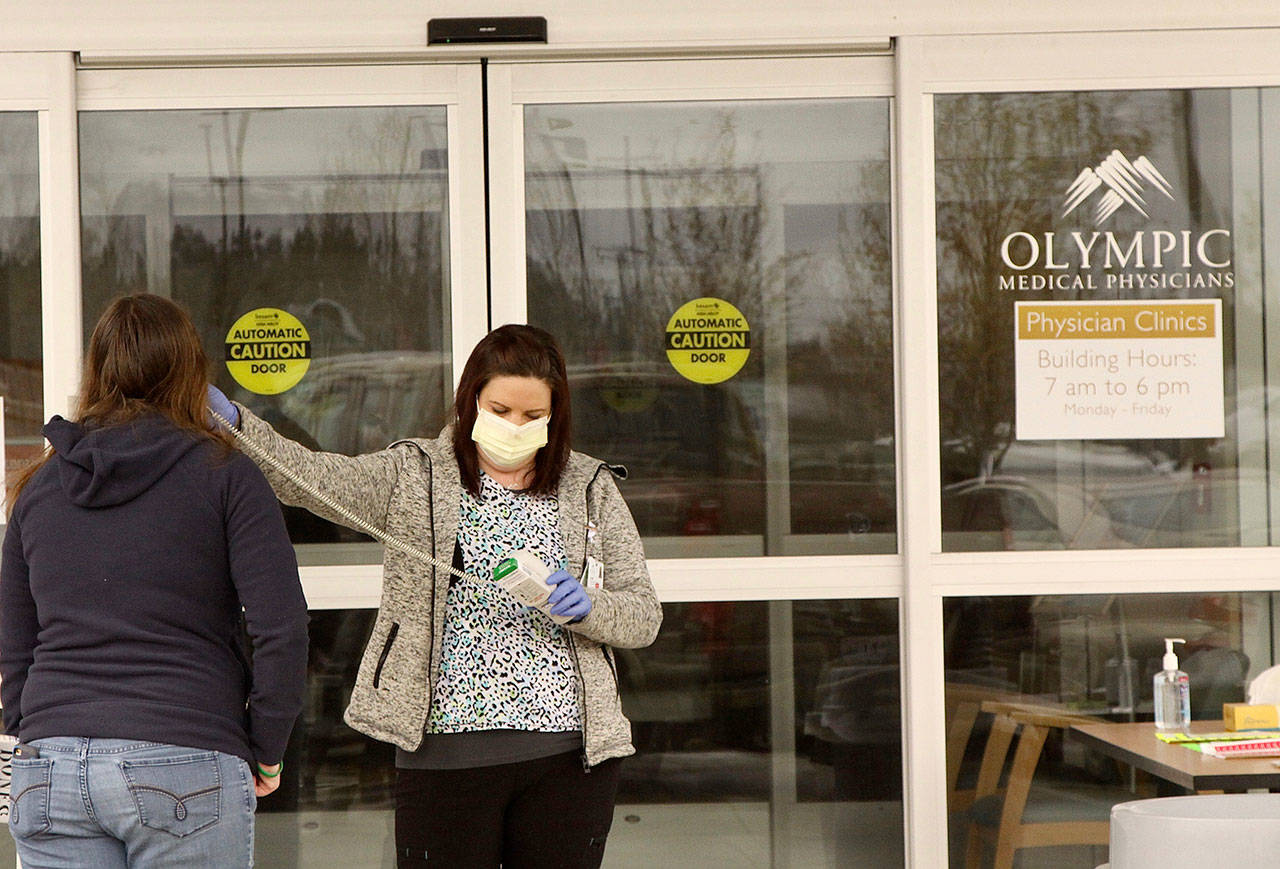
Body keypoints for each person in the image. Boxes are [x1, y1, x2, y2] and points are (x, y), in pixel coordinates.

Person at [208, 323, 662, 868]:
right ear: (471, 399)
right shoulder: (415, 474)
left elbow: (643, 616)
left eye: (532, 415)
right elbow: (309, 478)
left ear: (555, 415)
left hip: (569, 759)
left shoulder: (590, 487)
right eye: (500, 409)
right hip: (445, 753)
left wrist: (592, 608)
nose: (515, 426)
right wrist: (236, 425)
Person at [0, 294, 309, 868]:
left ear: (97, 371)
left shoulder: (38, 488)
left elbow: (14, 640)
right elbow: (281, 627)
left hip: (51, 764)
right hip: (186, 753)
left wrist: (32, 729)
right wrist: (266, 746)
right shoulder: (228, 476)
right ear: (191, 371)